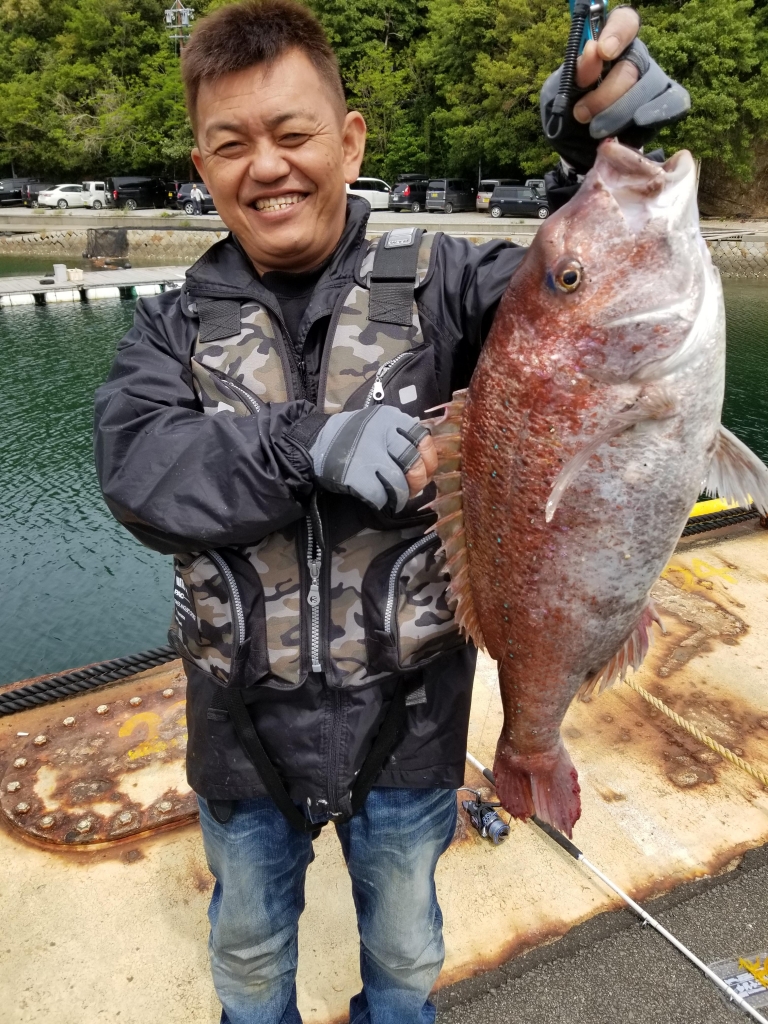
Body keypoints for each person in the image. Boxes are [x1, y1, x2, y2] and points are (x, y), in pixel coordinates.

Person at [93, 3, 687, 1022]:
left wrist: (597, 157)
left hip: (410, 730)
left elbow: (574, 306)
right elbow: (139, 466)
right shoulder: (169, 326)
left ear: (350, 138)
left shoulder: (447, 285)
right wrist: (305, 443)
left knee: (408, 949)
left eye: (292, 133)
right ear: (202, 167)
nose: (266, 166)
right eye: (232, 144)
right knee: (245, 947)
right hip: (239, 733)